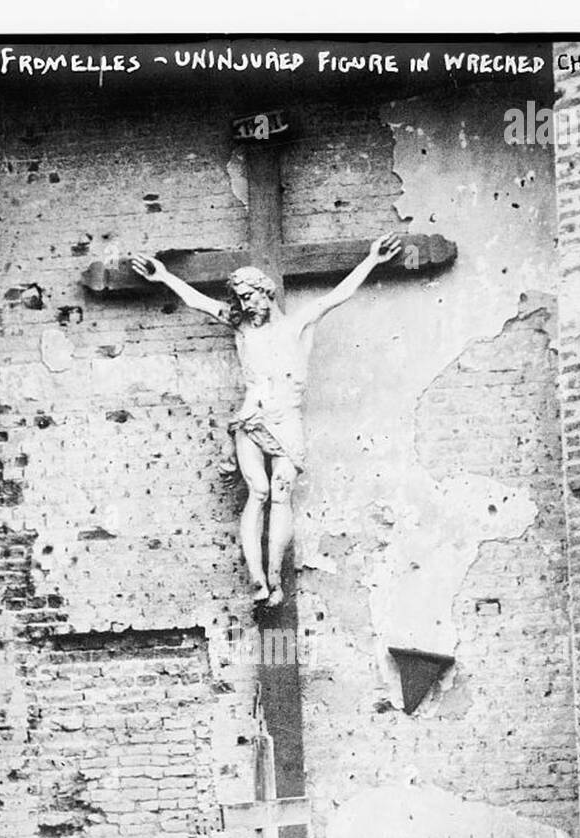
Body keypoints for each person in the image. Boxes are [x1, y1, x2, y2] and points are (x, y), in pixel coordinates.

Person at [131, 233, 401, 606]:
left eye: (249, 295)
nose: (244, 303)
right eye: (240, 298)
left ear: (266, 291)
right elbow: (200, 302)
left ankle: (276, 580)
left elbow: (335, 296)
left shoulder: (295, 325)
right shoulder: (241, 327)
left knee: (281, 492)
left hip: (286, 418)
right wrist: (164, 277)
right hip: (251, 418)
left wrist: (372, 261)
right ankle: (258, 581)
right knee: (257, 492)